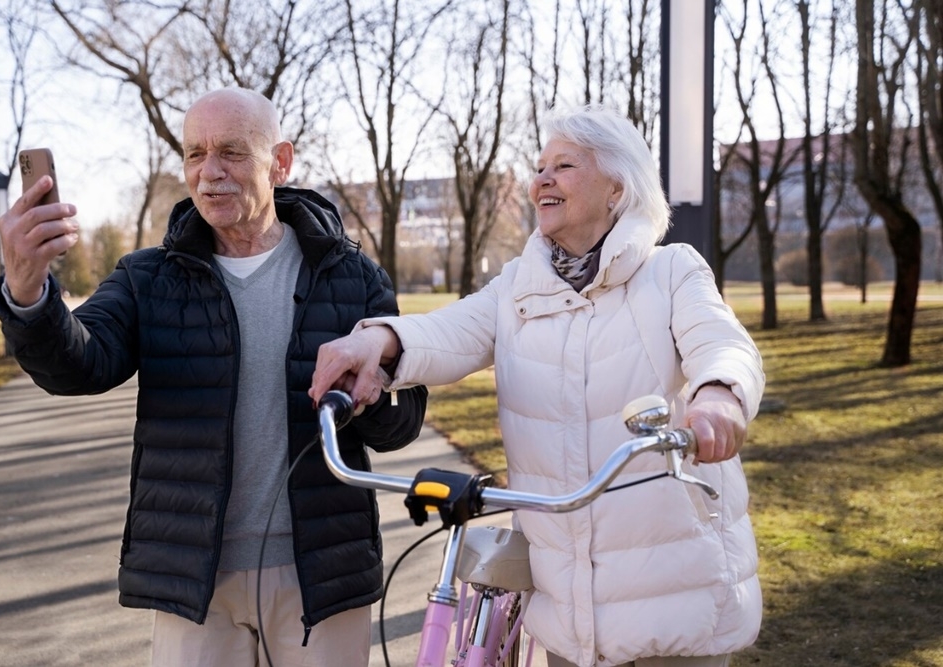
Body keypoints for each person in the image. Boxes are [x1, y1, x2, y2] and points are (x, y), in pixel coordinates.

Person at [309, 104, 765, 667]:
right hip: (566, 606)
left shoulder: (671, 273)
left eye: (565, 166)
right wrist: (375, 342)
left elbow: (722, 344)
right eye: (540, 167)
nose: (542, 180)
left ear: (617, 189)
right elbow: (451, 330)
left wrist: (719, 396)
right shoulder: (519, 287)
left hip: (672, 600)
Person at [0, 87, 428, 667]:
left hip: (322, 577)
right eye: (194, 154)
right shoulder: (148, 277)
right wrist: (26, 293)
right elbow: (78, 365)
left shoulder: (350, 275)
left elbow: (403, 421)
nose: (209, 173)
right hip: (193, 581)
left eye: (230, 152)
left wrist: (371, 398)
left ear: (281, 162)